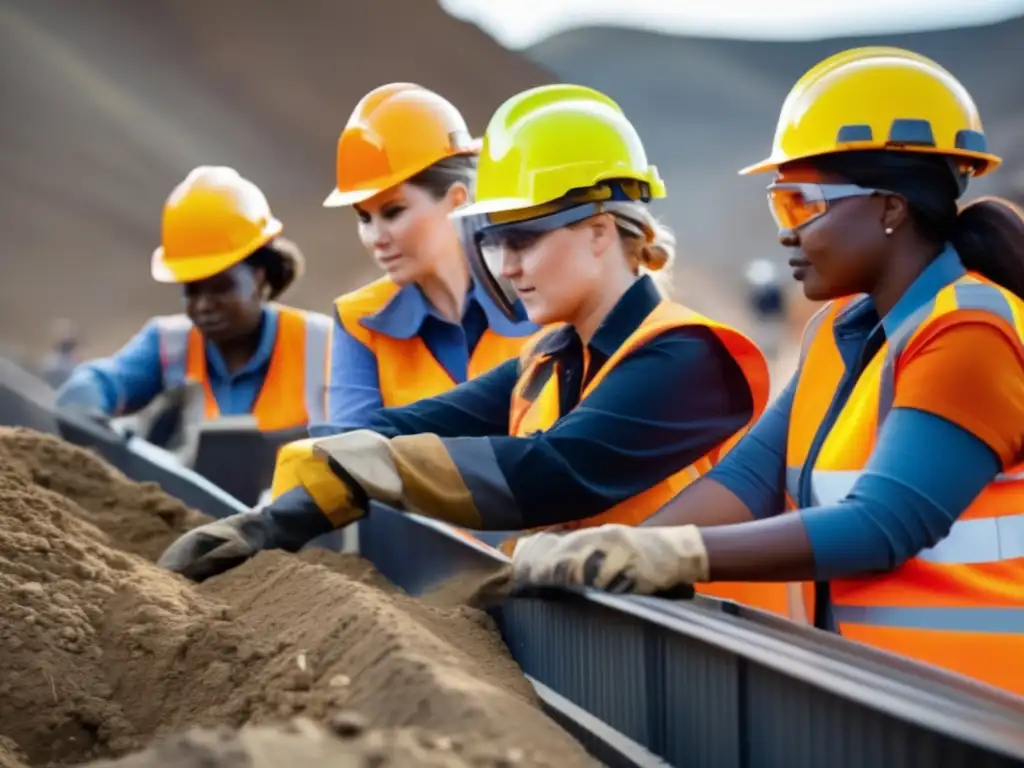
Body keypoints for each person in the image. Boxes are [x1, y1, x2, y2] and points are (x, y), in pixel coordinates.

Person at [508, 48, 1024, 696]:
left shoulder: (971, 332)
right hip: (892, 704)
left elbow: (883, 524)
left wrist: (675, 556)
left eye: (800, 206)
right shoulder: (837, 335)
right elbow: (751, 479)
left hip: (986, 716)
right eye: (780, 206)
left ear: (890, 207)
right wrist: (617, 550)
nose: (784, 233)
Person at [156, 84, 770, 584]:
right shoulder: (550, 360)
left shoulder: (689, 358)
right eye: (498, 243)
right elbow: (410, 426)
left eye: (524, 240)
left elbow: (551, 472)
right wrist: (271, 522)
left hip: (740, 693)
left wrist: (369, 466)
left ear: (600, 231)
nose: (506, 267)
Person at [318, 83, 538, 433]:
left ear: (457, 199)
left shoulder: (541, 295)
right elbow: (351, 461)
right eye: (364, 218)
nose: (376, 238)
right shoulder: (359, 320)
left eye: (393, 212)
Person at [56, 166, 332, 433]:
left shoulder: (327, 347)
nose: (202, 305)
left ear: (259, 277)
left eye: (221, 287)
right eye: (192, 290)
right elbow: (103, 382)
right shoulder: (168, 345)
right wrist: (82, 401)